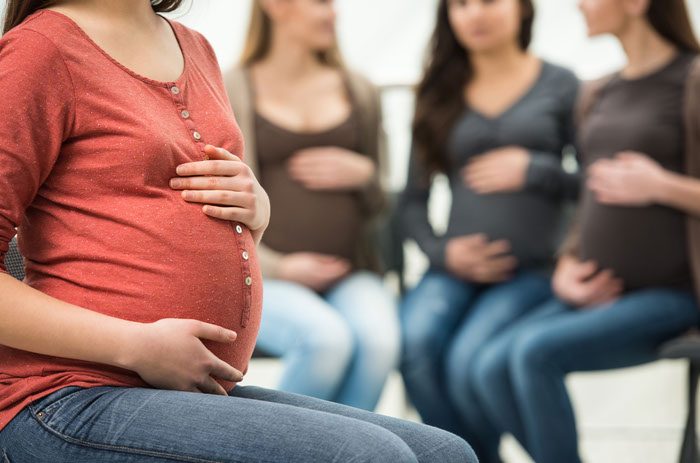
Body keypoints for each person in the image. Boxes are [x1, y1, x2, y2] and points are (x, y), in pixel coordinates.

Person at [0, 1, 477, 462]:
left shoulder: (196, 47)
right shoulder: (40, 51)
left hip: (185, 390)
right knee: (373, 457)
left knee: (445, 454)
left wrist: (254, 216)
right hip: (70, 397)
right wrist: (134, 345)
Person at [472, 1, 700, 462]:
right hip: (596, 288)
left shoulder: (692, 79)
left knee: (535, 353)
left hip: (673, 292)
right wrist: (568, 262)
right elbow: (590, 196)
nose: (579, 5)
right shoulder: (601, 90)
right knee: (488, 366)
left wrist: (662, 186)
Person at [398, 0, 579, 460]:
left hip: (531, 272)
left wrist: (537, 169)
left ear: (522, 9)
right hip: (453, 270)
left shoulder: (561, 84)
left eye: (489, 1)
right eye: (460, 4)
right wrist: (443, 254)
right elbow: (411, 204)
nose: (475, 14)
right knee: (415, 343)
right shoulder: (438, 92)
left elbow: (595, 185)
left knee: (467, 360)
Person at [223, 0, 400, 411]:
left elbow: (384, 200)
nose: (333, 13)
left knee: (379, 342)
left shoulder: (359, 89)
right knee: (324, 341)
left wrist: (364, 175)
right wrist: (282, 268)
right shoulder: (234, 86)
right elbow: (222, 198)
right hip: (266, 275)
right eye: (321, 3)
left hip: (351, 272)